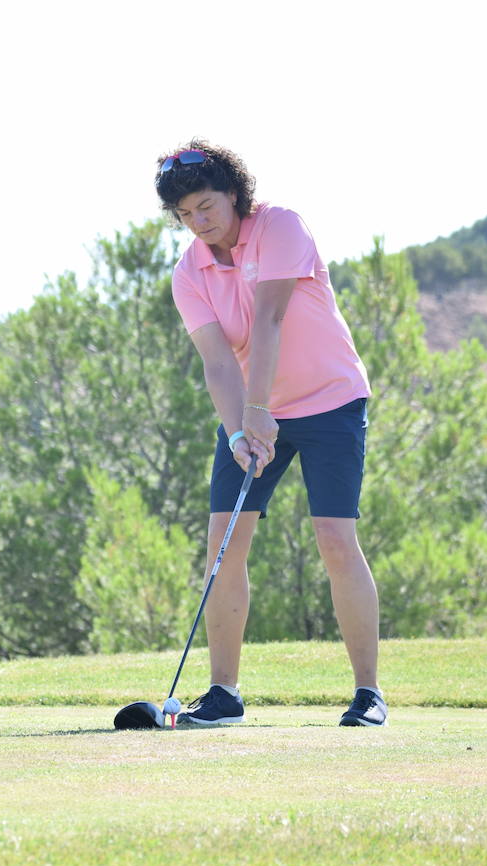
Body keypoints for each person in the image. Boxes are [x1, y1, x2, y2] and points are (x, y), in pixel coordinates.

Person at [154, 140, 386, 727]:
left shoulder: (280, 227)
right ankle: (224, 694)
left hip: (331, 401)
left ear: (233, 193)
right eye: (185, 215)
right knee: (224, 547)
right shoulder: (190, 273)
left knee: (335, 539)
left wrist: (259, 409)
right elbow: (217, 362)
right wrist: (239, 432)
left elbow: (270, 320)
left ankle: (368, 695)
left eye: (206, 206)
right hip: (254, 414)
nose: (198, 223)